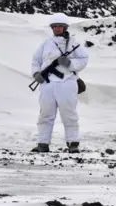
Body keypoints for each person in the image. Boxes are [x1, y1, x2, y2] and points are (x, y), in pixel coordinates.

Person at [30, 12, 89, 153]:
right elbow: (36, 60)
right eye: (54, 26)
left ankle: (73, 143)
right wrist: (36, 73)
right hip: (47, 84)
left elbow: (83, 59)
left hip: (67, 83)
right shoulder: (46, 43)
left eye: (59, 26)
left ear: (65, 28)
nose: (56, 29)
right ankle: (43, 144)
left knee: (69, 114)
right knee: (45, 114)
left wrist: (69, 63)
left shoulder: (73, 43)